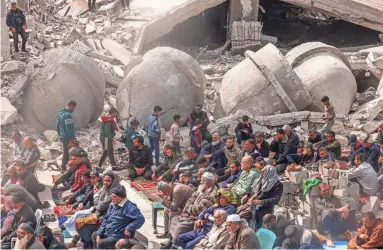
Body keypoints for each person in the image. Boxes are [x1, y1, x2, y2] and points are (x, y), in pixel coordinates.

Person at [165, 172, 217, 249]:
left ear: (207, 181)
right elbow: (190, 200)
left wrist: (188, 210)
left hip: (196, 217)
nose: (200, 182)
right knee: (174, 219)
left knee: (180, 227)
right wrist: (186, 210)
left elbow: (198, 209)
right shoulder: (201, 188)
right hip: (189, 213)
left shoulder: (212, 194)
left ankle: (174, 246)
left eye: (202, 180)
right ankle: (170, 242)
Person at [75, 171, 120, 248]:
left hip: (107, 216)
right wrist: (97, 200)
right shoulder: (105, 188)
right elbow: (97, 203)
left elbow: (102, 206)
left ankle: (88, 245)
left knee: (85, 225)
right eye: (104, 180)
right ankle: (86, 245)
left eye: (108, 180)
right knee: (79, 221)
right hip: (99, 212)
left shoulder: (115, 191)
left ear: (113, 181)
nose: (105, 183)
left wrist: (97, 198)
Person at [315, 183, 357, 248]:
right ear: (320, 192)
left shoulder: (337, 198)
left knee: (351, 211)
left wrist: (346, 208)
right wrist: (338, 210)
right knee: (326, 212)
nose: (327, 191)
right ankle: (328, 238)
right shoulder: (318, 201)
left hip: (337, 226)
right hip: (323, 227)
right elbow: (323, 210)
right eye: (324, 190)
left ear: (331, 189)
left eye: (328, 189)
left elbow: (346, 204)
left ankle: (352, 238)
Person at [247, 165, 283, 230]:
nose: (263, 174)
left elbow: (276, 199)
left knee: (261, 226)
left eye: (265, 172)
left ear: (270, 173)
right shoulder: (262, 180)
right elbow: (255, 191)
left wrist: (262, 202)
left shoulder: (277, 184)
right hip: (254, 205)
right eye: (262, 172)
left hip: (265, 208)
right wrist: (248, 196)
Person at [56, 100, 77, 172]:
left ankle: (63, 167)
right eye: (74, 108)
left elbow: (57, 125)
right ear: (71, 106)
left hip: (63, 136)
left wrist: (60, 135)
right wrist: (73, 138)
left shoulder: (60, 113)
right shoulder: (68, 115)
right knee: (69, 153)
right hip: (67, 137)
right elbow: (69, 127)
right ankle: (64, 168)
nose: (74, 110)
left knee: (65, 151)